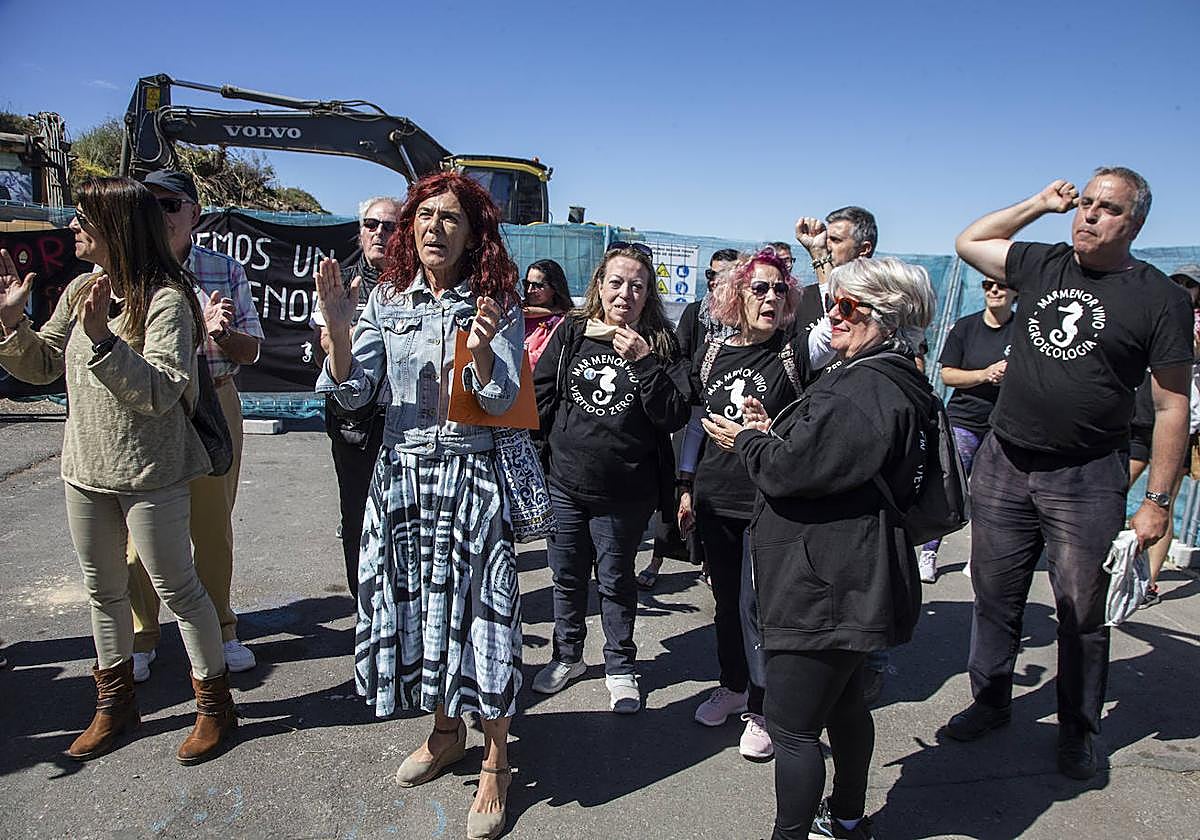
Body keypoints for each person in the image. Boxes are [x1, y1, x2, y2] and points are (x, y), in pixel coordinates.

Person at [948, 168, 1192, 781]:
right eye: (1084, 203)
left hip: (1085, 476)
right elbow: (970, 242)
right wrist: (1037, 203)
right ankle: (991, 700)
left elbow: (1171, 407)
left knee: (1082, 610)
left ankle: (1078, 730)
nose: (1088, 215)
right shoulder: (1047, 262)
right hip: (1006, 461)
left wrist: (1157, 499)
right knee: (994, 595)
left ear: (1132, 223)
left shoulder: (1158, 298)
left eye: (1106, 208)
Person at [315, 172, 525, 840]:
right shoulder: (385, 298)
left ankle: (496, 761)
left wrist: (486, 352)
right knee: (417, 615)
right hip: (401, 481)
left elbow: (503, 403)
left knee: (482, 622)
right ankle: (445, 733)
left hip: (470, 479)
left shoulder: (496, 303)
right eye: (424, 217)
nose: (434, 227)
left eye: (450, 219)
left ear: (474, 234)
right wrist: (342, 336)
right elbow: (355, 395)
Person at [0, 177, 235, 764]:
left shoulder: (167, 300)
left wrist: (104, 339)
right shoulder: (81, 286)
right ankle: (114, 703)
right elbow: (43, 366)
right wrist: (11, 326)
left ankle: (214, 706)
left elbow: (161, 391)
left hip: (151, 471)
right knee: (102, 591)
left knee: (179, 589)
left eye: (83, 220)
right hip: (84, 470)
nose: (73, 229)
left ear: (117, 228)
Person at [704, 257, 935, 840]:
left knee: (793, 728)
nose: (831, 315)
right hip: (852, 575)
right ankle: (848, 817)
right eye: (831, 303)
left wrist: (752, 442)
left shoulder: (867, 387)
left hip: (826, 582)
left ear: (886, 316)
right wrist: (775, 428)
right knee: (846, 705)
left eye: (847, 306)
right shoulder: (886, 376)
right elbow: (832, 458)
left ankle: (793, 834)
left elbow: (792, 470)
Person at [532, 244, 691, 713]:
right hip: (564, 484)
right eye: (616, 283)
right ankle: (568, 657)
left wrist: (644, 361)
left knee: (616, 581)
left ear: (648, 296)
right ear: (599, 286)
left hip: (625, 492)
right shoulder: (574, 332)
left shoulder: (661, 342)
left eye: (637, 286)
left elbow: (673, 414)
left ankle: (620, 666)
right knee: (566, 577)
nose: (625, 294)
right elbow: (541, 398)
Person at [125, 170, 264, 682]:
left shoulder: (223, 270)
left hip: (214, 400)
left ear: (194, 215)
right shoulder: (127, 271)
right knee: (141, 531)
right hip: (152, 410)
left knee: (211, 527)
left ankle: (221, 629)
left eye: (169, 204)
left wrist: (223, 334)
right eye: (149, 203)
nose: (158, 213)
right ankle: (142, 635)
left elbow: (250, 350)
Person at [686, 248, 803, 761]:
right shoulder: (712, 352)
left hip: (768, 502)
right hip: (716, 500)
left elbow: (804, 430)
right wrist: (685, 485)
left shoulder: (794, 353)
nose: (771, 298)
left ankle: (763, 708)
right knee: (727, 603)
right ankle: (733, 686)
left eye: (780, 289)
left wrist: (766, 431)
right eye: (760, 288)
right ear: (737, 294)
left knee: (759, 608)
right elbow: (694, 423)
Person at [312, 195, 403, 596]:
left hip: (406, 421)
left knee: (404, 521)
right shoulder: (339, 281)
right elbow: (324, 351)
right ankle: (363, 601)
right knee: (357, 517)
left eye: (390, 226)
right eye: (372, 224)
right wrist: (339, 333)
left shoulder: (418, 283)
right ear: (360, 231)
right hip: (354, 426)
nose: (380, 232)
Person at [637, 248, 739, 591]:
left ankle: (711, 562)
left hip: (728, 418)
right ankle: (656, 560)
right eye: (710, 275)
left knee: (712, 499)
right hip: (693, 414)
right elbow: (678, 356)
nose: (714, 282)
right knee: (678, 493)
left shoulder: (744, 317)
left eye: (722, 275)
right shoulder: (697, 313)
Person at [917, 275, 1018, 582]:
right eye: (988, 285)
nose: (995, 290)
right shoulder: (966, 327)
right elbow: (947, 375)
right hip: (965, 421)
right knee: (948, 489)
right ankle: (929, 551)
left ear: (1016, 291)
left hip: (1004, 426)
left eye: (1001, 284)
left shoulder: (1025, 330)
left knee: (990, 497)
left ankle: (979, 560)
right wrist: (985, 374)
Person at [1126, 263, 1200, 607]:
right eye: (1178, 282)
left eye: (1191, 284)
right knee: (1114, 486)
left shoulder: (1192, 323)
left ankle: (1149, 583)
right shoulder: (1154, 310)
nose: (1184, 288)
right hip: (1141, 417)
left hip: (1182, 426)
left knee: (1162, 500)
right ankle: (1101, 556)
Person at [793, 207, 878, 356]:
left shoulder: (881, 303)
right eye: (827, 239)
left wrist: (819, 255)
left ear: (864, 249)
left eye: (836, 240)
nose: (827, 246)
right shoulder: (803, 297)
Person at [521, 258, 572, 367]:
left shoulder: (561, 322)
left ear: (554, 288)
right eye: (527, 283)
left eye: (538, 286)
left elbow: (540, 358)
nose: (529, 290)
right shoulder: (516, 313)